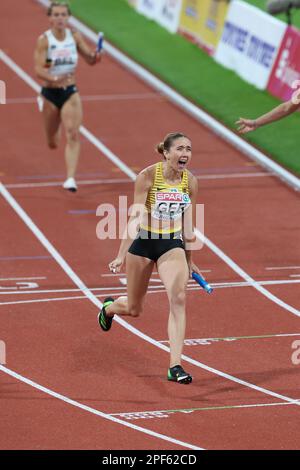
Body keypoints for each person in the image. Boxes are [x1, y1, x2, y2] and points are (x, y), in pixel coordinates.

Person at [98, 132, 203, 384]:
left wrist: (189, 259)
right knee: (134, 309)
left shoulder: (190, 181)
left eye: (188, 148)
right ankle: (109, 308)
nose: (185, 154)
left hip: (170, 244)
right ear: (166, 153)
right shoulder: (146, 177)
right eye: (179, 148)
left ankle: (175, 366)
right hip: (143, 243)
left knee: (178, 297)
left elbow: (189, 223)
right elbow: (135, 217)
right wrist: (121, 253)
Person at [34, 1, 102, 192]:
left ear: (68, 17)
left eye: (63, 14)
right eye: (56, 15)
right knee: (53, 143)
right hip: (49, 93)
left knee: (72, 133)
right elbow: (38, 69)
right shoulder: (45, 41)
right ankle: (45, 109)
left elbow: (89, 58)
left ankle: (70, 178)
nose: (60, 18)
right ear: (50, 18)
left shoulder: (74, 37)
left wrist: (95, 56)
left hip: (70, 92)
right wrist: (54, 77)